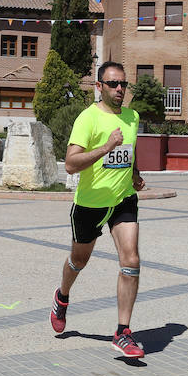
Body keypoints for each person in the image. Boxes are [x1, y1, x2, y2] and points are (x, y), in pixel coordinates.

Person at [49, 61, 146, 358]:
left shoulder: (132, 117)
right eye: (114, 84)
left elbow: (128, 152)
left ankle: (123, 332)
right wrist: (105, 147)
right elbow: (70, 163)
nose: (120, 90)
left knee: (131, 259)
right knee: (78, 261)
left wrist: (134, 175)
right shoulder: (87, 119)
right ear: (99, 86)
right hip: (90, 204)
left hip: (122, 200)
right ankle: (62, 296)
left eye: (124, 85)